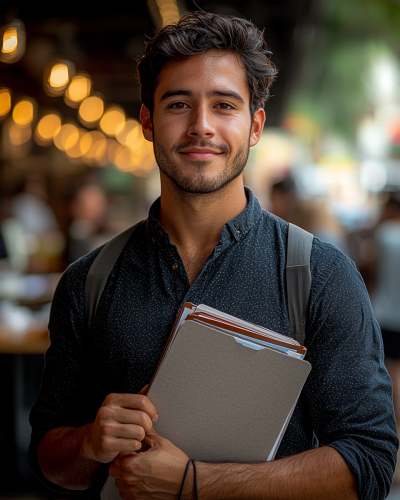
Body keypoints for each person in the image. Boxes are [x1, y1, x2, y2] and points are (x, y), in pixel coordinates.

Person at [29, 11, 398, 500]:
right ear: (147, 121)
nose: (201, 126)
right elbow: (49, 459)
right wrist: (89, 443)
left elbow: (369, 461)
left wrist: (195, 484)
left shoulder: (320, 275)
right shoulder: (88, 281)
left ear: (255, 126)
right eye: (178, 104)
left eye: (224, 105)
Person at [372, 192, 400, 421]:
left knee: (389, 369)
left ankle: (392, 415)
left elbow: (369, 265)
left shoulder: (386, 234)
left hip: (386, 311)